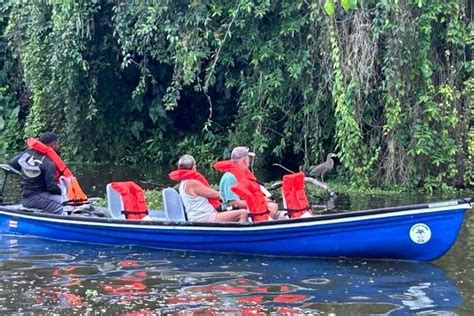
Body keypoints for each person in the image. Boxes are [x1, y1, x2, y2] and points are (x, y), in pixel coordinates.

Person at [170, 154, 248, 223]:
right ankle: (238, 237)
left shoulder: (183, 183)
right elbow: (215, 195)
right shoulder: (192, 183)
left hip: (199, 217)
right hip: (204, 218)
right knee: (243, 213)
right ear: (194, 167)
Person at [216, 146, 280, 219]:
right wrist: (258, 203)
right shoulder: (230, 177)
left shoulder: (243, 175)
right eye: (248, 157)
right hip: (234, 211)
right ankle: (263, 225)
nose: (249, 160)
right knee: (271, 206)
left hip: (248, 207)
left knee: (274, 207)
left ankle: (265, 222)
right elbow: (233, 203)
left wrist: (261, 200)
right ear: (245, 159)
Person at [9, 132, 63, 214]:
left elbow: (13, 163)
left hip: (25, 197)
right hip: (38, 198)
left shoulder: (26, 154)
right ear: (53, 144)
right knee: (67, 205)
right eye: (57, 144)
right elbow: (51, 187)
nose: (57, 147)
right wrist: (65, 193)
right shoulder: (49, 163)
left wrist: (26, 170)